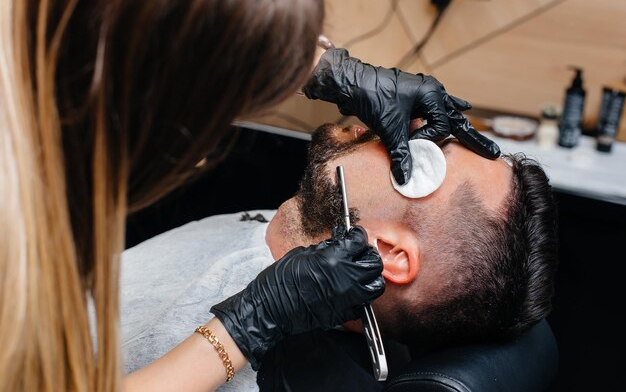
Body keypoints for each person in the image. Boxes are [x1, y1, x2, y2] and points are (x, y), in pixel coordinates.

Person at [0, 0, 501, 391]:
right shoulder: (16, 194)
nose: (380, 131)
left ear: (391, 252)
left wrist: (330, 71)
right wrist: (246, 325)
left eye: (420, 154)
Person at [118, 121, 557, 391]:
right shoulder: (297, 228)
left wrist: (246, 323)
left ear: (386, 253)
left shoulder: (249, 369)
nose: (393, 127)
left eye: (425, 153)